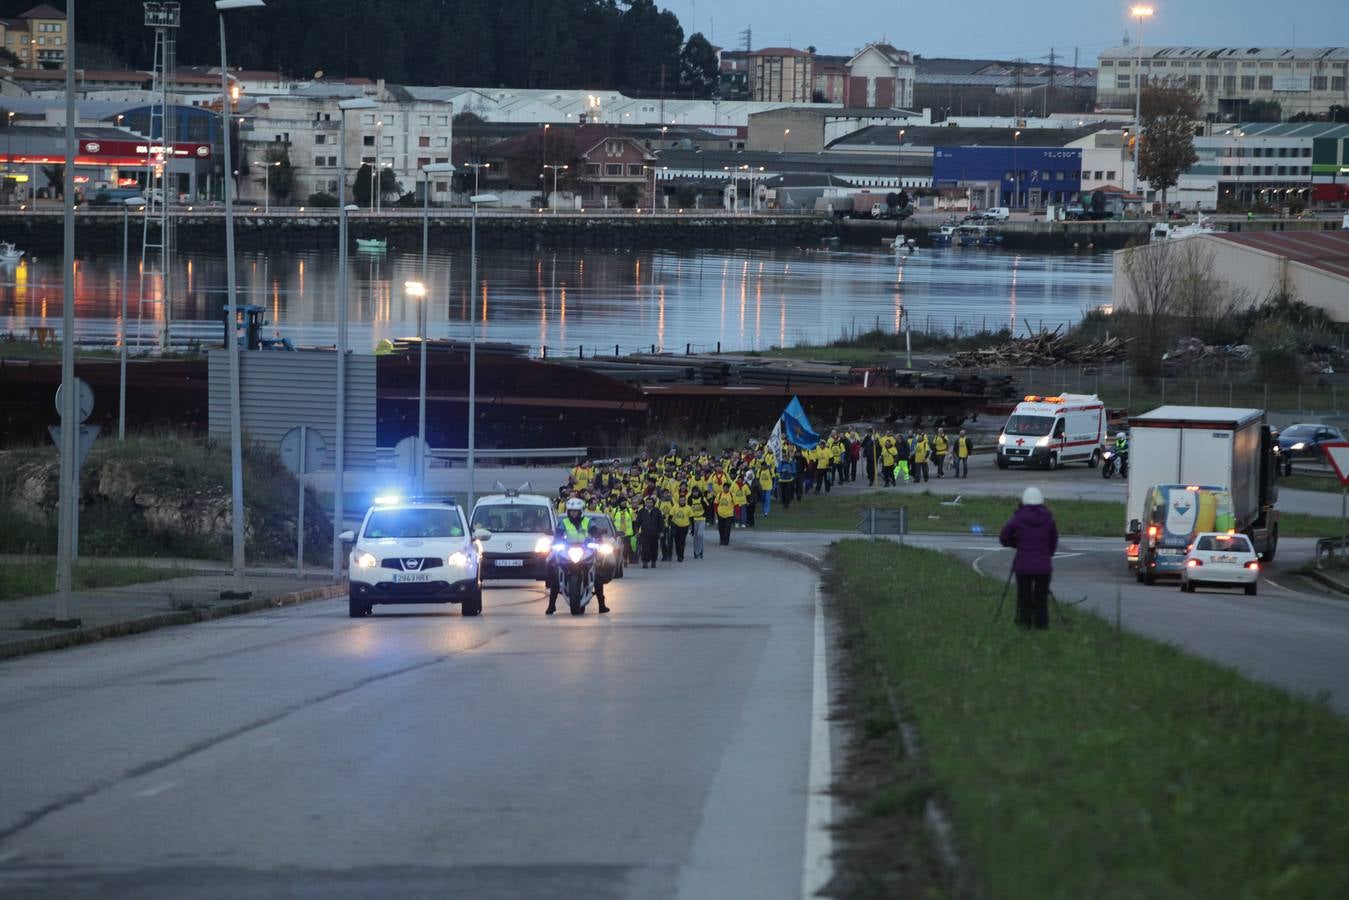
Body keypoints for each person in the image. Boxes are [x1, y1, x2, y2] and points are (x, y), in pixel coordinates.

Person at [998, 486, 1059, 630]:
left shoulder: (1018, 517)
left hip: (1023, 564)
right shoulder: (1048, 518)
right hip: (1043, 565)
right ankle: (1041, 625)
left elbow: (1004, 537)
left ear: (1024, 500)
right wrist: (1047, 553)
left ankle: (1024, 624)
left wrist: (1016, 543)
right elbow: (1053, 540)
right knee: (1041, 597)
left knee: (1023, 596)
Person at [551, 497, 607, 615]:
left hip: (585, 551)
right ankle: (551, 605)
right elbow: (558, 533)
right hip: (567, 552)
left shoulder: (588, 521)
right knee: (555, 574)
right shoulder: (564, 523)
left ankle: (602, 604)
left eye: (576, 511)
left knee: (597, 576)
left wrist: (598, 535)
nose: (573, 514)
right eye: (571, 511)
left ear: (581, 511)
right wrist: (556, 541)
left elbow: (594, 531)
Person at [635, 495, 664, 569]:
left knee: (654, 548)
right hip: (644, 533)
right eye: (647, 502)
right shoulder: (641, 511)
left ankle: (653, 561)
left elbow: (661, 522)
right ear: (645, 503)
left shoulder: (657, 511)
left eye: (651, 502)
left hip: (654, 533)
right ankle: (645, 562)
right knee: (645, 548)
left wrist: (661, 532)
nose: (649, 504)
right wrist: (637, 532)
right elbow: (638, 522)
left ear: (653, 503)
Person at [668, 490, 693, 561]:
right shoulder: (675, 506)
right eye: (681, 500)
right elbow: (670, 516)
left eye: (683, 500)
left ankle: (681, 556)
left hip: (685, 526)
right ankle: (678, 553)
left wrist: (692, 528)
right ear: (679, 500)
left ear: (685, 501)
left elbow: (691, 518)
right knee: (676, 541)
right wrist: (670, 524)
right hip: (676, 525)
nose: (682, 501)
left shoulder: (688, 508)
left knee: (682, 541)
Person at [689, 487, 708, 559]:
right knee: (695, 537)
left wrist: (705, 515)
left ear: (698, 492)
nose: (695, 493)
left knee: (700, 535)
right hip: (693, 520)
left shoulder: (702, 499)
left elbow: (708, 507)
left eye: (696, 492)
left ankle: (700, 551)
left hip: (701, 519)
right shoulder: (690, 499)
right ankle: (695, 551)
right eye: (694, 492)